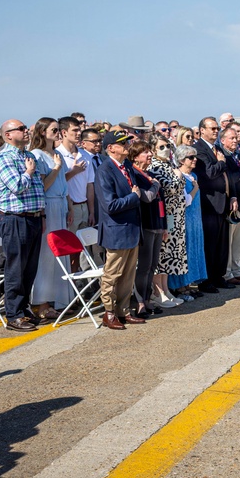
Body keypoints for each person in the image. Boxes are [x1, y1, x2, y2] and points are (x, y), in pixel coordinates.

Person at [0, 119, 46, 332]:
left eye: (26, 128)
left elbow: (38, 189)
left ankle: (24, 310)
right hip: (15, 218)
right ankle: (13, 315)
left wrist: (41, 214)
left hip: (32, 217)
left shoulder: (28, 155)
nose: (26, 131)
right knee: (15, 268)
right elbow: (16, 186)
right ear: (8, 135)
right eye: (21, 129)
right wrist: (28, 173)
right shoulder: (4, 158)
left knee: (29, 268)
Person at [95, 130, 151, 329]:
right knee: (113, 274)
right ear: (111, 148)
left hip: (132, 228)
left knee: (128, 275)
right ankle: (109, 312)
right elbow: (110, 205)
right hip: (117, 230)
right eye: (122, 143)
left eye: (127, 141)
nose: (127, 145)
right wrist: (134, 198)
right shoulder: (105, 170)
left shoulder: (126, 166)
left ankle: (124, 310)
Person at [29, 118, 70, 320]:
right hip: (48, 204)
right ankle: (43, 303)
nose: (58, 133)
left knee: (60, 254)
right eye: (54, 130)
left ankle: (60, 299)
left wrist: (69, 207)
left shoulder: (57, 153)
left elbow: (64, 184)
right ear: (43, 132)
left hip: (61, 204)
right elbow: (42, 186)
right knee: (47, 255)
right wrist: (55, 168)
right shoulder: (37, 155)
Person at [148, 136, 195, 304]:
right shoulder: (154, 166)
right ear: (153, 150)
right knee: (161, 256)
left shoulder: (169, 165)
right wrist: (178, 176)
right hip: (164, 216)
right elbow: (172, 188)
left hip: (176, 216)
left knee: (169, 256)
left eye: (167, 146)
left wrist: (177, 175)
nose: (166, 149)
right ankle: (157, 292)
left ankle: (166, 290)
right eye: (161, 147)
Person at [130, 139, 170, 316]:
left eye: (149, 151)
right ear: (136, 157)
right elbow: (147, 197)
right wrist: (155, 185)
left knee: (153, 265)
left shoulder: (150, 173)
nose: (150, 155)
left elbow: (161, 201)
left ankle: (148, 298)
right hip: (145, 225)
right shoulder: (135, 174)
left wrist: (164, 226)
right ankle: (140, 301)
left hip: (157, 224)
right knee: (144, 266)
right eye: (145, 152)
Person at [193, 117, 231, 292]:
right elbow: (208, 174)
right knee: (210, 244)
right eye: (212, 128)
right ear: (202, 130)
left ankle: (218, 275)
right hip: (209, 203)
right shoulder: (198, 150)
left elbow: (226, 176)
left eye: (217, 128)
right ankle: (206, 280)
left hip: (222, 202)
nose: (216, 131)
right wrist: (221, 163)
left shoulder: (216, 148)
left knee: (221, 243)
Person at [169, 145, 208, 294]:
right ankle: (180, 285)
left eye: (195, 156)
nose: (194, 160)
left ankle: (189, 284)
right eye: (190, 157)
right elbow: (185, 200)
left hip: (195, 218)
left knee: (194, 249)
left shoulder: (194, 175)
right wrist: (196, 188)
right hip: (183, 219)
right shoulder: (178, 175)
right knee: (184, 251)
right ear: (181, 160)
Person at [221, 124, 240, 285]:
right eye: (232, 138)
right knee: (230, 240)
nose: (235, 140)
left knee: (239, 240)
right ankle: (227, 273)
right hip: (231, 204)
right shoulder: (223, 156)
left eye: (236, 138)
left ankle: (237, 269)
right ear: (223, 140)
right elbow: (231, 176)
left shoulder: (238, 155)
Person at [57, 116, 95, 234]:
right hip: (68, 208)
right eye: (74, 130)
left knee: (84, 248)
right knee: (69, 247)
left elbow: (90, 185)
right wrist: (74, 172)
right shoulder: (58, 154)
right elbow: (56, 182)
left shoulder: (85, 155)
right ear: (64, 133)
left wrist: (91, 211)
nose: (79, 133)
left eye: (79, 130)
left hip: (84, 207)